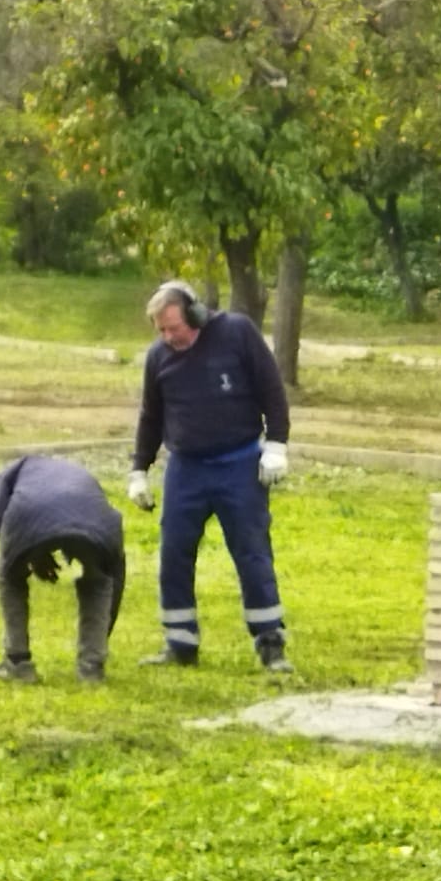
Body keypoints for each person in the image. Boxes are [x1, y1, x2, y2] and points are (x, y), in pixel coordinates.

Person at [127, 279, 293, 672]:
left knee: (252, 552)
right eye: (161, 331)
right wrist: (139, 470)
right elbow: (151, 417)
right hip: (186, 469)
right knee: (174, 552)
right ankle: (180, 643)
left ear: (196, 315)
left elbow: (272, 390)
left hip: (239, 463)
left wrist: (276, 445)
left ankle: (270, 643)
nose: (169, 337)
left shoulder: (237, 333)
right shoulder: (158, 358)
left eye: (174, 327)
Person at [0, 454, 126, 684]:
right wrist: (38, 553)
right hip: (98, 522)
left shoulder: (14, 469)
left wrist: (26, 551)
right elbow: (114, 578)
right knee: (99, 579)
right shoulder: (76, 472)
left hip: (29, 514)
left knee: (10, 576)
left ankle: (17, 662)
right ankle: (91, 667)